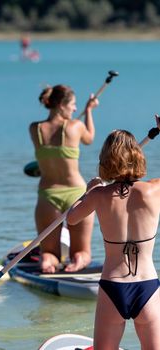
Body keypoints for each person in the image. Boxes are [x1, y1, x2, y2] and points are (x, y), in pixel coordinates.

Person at [67, 119, 160, 349]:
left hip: (113, 286)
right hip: (146, 286)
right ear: (138, 156)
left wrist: (88, 192)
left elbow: (71, 218)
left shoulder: (98, 195)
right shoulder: (154, 190)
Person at [29, 84, 99, 273]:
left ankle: (47, 263)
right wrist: (89, 111)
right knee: (81, 251)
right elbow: (90, 138)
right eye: (73, 105)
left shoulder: (35, 129)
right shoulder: (76, 126)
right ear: (62, 105)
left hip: (48, 196)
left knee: (49, 252)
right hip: (77, 195)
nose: (75, 109)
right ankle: (77, 262)